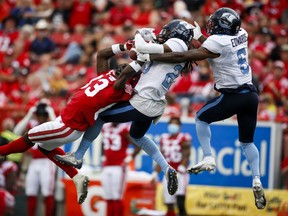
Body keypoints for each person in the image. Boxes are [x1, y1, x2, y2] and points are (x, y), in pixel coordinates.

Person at [136, 7, 266, 210]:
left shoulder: (218, 42)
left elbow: (185, 56)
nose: (211, 26)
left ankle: (208, 157)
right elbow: (214, 46)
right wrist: (199, 37)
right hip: (251, 96)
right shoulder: (242, 33)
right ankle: (257, 179)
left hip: (233, 95)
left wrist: (153, 56)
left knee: (201, 118)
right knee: (247, 142)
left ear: (222, 25)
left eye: (215, 23)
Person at [55, 20, 195, 196]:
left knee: (101, 116)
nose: (164, 34)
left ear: (177, 33)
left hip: (144, 101)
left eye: (168, 31)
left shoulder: (177, 44)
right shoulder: (176, 52)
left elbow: (140, 51)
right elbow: (138, 53)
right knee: (137, 135)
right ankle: (167, 168)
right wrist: (142, 45)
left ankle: (78, 156)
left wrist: (140, 35)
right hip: (156, 104)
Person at [0, 40, 137, 204]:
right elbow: (102, 54)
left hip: (68, 126)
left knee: (29, 137)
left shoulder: (121, 88)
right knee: (45, 147)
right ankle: (76, 177)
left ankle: (2, 151)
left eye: (125, 69)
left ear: (129, 76)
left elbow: (125, 77)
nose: (121, 67)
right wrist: (125, 46)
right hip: (65, 120)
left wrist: (140, 60)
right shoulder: (107, 76)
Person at [13, 100, 57, 216]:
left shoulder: (51, 124)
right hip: (33, 162)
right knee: (30, 192)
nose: (41, 117)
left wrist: (50, 111)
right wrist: (29, 115)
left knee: (47, 193)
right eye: (39, 114)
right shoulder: (32, 124)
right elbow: (16, 131)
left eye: (43, 114)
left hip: (47, 162)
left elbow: (58, 128)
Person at [152, 116, 191, 216]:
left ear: (179, 126)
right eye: (171, 123)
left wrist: (182, 165)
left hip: (180, 173)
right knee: (168, 202)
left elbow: (187, 153)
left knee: (180, 201)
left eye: (175, 123)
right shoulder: (163, 138)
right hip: (168, 173)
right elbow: (160, 157)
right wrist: (155, 173)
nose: (173, 126)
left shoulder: (184, 137)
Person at [101, 122, 140, 216]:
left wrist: (128, 159)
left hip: (119, 167)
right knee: (108, 196)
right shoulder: (105, 127)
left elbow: (138, 145)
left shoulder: (124, 128)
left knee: (117, 197)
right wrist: (103, 156)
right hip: (107, 166)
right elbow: (104, 144)